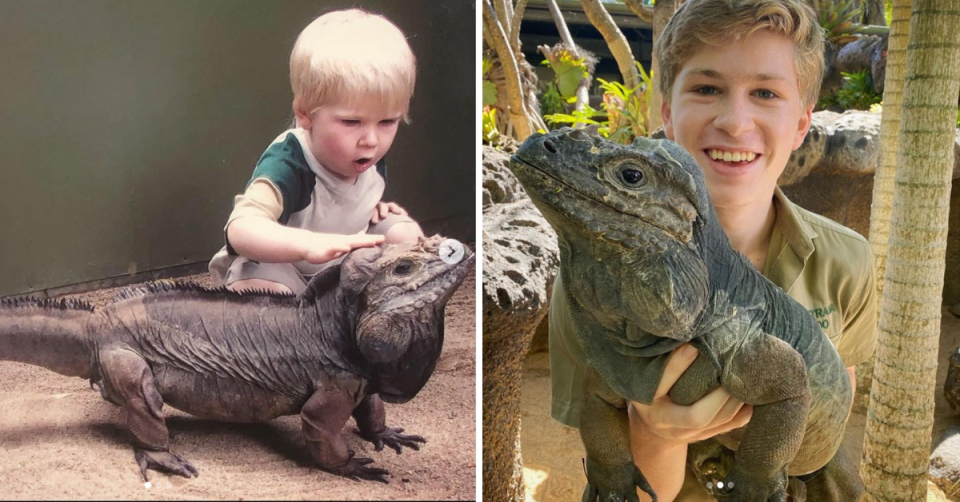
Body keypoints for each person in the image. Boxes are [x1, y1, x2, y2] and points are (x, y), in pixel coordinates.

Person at [547, 0, 878, 500]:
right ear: (668, 114)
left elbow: (834, 398)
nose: (734, 120)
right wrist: (655, 431)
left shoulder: (845, 260)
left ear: (801, 126)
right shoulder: (592, 284)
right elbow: (624, 461)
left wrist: (776, 465)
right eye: (707, 88)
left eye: (765, 92)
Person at [209, 8, 424, 295]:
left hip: (342, 268)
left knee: (407, 236)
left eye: (387, 121)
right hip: (285, 270)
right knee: (259, 288)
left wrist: (372, 206)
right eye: (351, 122)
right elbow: (241, 228)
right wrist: (308, 245)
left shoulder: (364, 150)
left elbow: (344, 200)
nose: (371, 140)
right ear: (306, 114)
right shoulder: (290, 161)